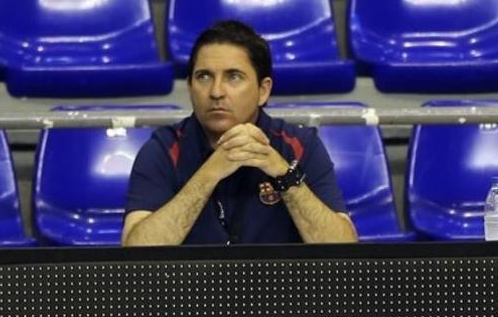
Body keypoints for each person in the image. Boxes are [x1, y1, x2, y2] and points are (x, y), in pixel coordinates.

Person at [123, 20, 358, 245]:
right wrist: (209, 174)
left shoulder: (300, 146)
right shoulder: (163, 148)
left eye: (233, 77)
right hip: (191, 285)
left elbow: (345, 248)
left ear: (263, 90)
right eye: (204, 77)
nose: (216, 91)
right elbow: (136, 251)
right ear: (190, 87)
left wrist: (283, 175)